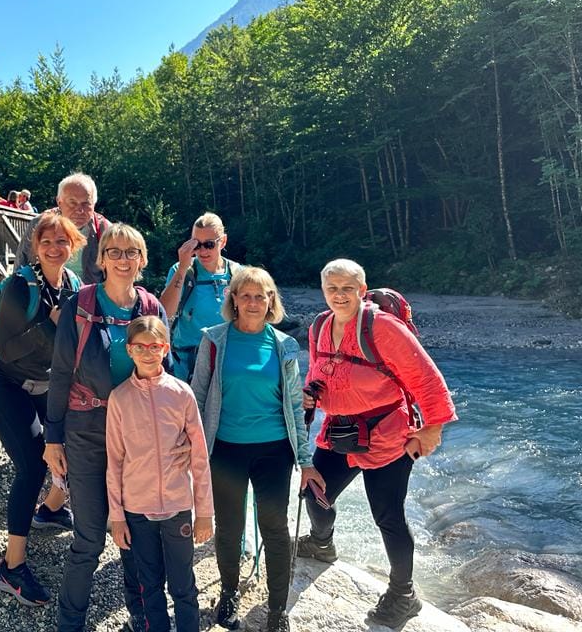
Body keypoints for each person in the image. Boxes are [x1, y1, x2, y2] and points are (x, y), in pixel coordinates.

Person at [296, 258, 457, 629]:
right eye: (332, 288)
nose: (339, 295)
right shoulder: (319, 326)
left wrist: (431, 429)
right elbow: (319, 371)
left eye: (347, 288)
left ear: (362, 290)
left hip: (387, 436)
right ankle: (321, 543)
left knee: (387, 516)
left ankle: (404, 595)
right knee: (315, 494)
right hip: (339, 431)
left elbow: (427, 378)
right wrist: (311, 393)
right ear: (323, 290)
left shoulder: (382, 327)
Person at [44, 223, 168, 632]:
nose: (122, 259)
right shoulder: (80, 305)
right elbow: (61, 374)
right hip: (87, 431)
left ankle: (142, 619)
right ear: (101, 259)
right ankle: (70, 624)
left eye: (131, 252)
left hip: (138, 435)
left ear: (142, 260)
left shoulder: (150, 309)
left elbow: (165, 374)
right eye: (114, 251)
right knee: (90, 537)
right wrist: (53, 438)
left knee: (137, 534)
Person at [191, 266, 320, 632]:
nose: (252, 302)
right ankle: (229, 592)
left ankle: (278, 609)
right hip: (226, 449)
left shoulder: (284, 345)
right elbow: (197, 396)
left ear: (270, 301)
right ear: (233, 299)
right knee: (229, 528)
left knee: (275, 527)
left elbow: (293, 404)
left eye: (259, 296)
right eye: (245, 295)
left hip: (274, 450)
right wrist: (193, 450)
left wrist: (306, 460)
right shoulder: (213, 340)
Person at [0, 212, 86, 606]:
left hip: (47, 382)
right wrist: (51, 326)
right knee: (32, 466)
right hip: (6, 384)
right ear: (34, 248)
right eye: (46, 242)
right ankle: (10, 566)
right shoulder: (19, 286)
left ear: (73, 246)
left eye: (62, 242)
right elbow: (8, 350)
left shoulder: (74, 285)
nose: (54, 248)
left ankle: (50, 510)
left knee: (74, 446)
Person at [106, 316, 214, 632]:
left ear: (165, 348)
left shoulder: (182, 394)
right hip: (136, 509)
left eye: (154, 346)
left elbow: (199, 458)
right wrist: (117, 517)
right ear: (129, 350)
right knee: (149, 584)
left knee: (183, 585)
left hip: (177, 506)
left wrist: (204, 513)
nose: (148, 353)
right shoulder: (119, 398)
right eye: (140, 347)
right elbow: (114, 461)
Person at [160, 212, 239, 381]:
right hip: (187, 366)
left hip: (226, 362)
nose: (202, 251)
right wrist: (182, 268)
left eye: (209, 244)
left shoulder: (237, 274)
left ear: (223, 241)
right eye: (196, 245)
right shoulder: (181, 270)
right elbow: (164, 312)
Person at [15, 173, 110, 284]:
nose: (80, 210)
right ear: (59, 202)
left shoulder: (105, 230)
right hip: (45, 291)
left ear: (94, 204)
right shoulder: (39, 224)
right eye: (72, 203)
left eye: (86, 203)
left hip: (89, 293)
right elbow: (21, 264)